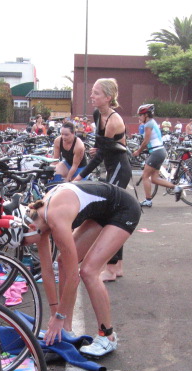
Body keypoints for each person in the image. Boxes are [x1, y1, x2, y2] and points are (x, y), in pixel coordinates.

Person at [23, 181, 141, 356]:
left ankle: (107, 336)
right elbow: (47, 272)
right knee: (62, 264)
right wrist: (55, 313)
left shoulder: (56, 219)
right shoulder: (39, 221)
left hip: (123, 208)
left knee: (88, 271)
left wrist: (59, 316)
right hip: (102, 211)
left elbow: (73, 277)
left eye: (24, 242)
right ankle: (66, 329)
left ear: (31, 228)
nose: (25, 247)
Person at [73, 78, 132, 282]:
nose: (91, 95)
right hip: (111, 167)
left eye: (96, 93)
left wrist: (79, 176)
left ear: (108, 97)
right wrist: (99, 148)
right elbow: (101, 146)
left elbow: (100, 156)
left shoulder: (114, 121)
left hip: (120, 169)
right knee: (113, 215)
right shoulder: (98, 114)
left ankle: (111, 268)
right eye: (92, 91)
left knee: (111, 217)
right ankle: (118, 266)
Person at [133, 104, 182, 207]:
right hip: (159, 151)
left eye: (140, 115)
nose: (139, 117)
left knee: (145, 176)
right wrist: (145, 150)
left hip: (156, 152)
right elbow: (151, 141)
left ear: (146, 115)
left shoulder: (148, 124)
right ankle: (176, 188)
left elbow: (146, 141)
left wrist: (138, 151)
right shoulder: (152, 122)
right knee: (154, 179)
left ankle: (148, 201)